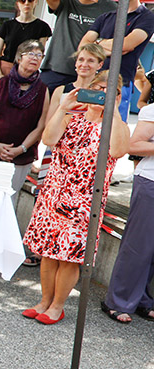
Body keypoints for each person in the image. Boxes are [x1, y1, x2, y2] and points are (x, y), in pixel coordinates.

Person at [23, 71, 130, 325]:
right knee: (48, 251)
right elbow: (48, 139)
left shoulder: (114, 124)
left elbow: (119, 150)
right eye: (97, 87)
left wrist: (113, 110)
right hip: (54, 192)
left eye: (108, 89)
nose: (101, 92)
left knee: (69, 255)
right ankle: (44, 301)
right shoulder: (73, 115)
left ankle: (57, 306)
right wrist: (63, 108)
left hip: (84, 199)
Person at [0, 39, 50, 209]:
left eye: (39, 55)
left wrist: (21, 148)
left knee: (7, 201)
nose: (35, 58)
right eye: (31, 54)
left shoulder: (43, 90)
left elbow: (41, 125)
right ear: (19, 58)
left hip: (20, 157)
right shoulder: (1, 84)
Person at [101, 96, 154, 323]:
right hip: (151, 182)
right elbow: (133, 145)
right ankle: (117, 301)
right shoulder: (152, 111)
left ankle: (142, 299)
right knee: (138, 246)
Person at [79, 0, 154, 120]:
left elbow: (126, 45)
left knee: (113, 132)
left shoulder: (146, 17)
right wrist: (109, 46)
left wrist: (98, 45)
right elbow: (84, 46)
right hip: (93, 81)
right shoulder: (105, 17)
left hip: (121, 83)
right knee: (86, 128)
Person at [40, 0, 116, 92]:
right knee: (44, 109)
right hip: (56, 69)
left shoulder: (111, 8)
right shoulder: (67, 3)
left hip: (89, 74)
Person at [0, 0, 52, 80]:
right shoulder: (7, 25)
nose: (26, 3)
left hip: (27, 71)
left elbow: (39, 53)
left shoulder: (42, 27)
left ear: (35, 2)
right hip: (5, 70)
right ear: (17, 4)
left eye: (30, 0)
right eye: (22, 0)